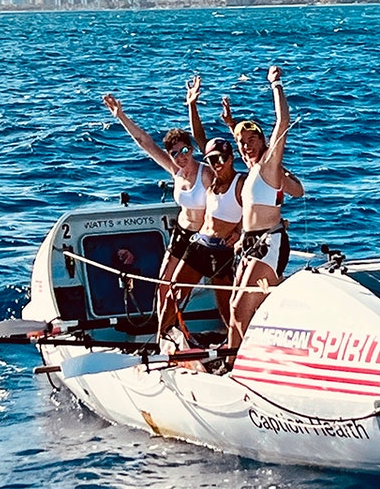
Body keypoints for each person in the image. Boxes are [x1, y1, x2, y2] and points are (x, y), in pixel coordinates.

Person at [102, 78, 210, 337]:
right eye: (175, 153)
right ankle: (163, 337)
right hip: (181, 234)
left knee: (181, 290)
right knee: (163, 287)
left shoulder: (207, 174)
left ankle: (182, 332)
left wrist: (192, 105)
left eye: (185, 150)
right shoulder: (175, 172)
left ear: (191, 149)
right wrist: (121, 116)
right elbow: (145, 143)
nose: (181, 156)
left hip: (205, 238)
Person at [225, 65, 304, 350]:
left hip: (269, 242)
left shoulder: (269, 166)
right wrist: (231, 123)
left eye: (252, 140)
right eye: (242, 143)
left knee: (241, 309)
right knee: (234, 307)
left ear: (263, 141)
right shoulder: (251, 174)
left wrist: (276, 84)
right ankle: (231, 362)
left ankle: (254, 362)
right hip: (249, 245)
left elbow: (283, 121)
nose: (247, 146)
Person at [169, 136, 244, 341]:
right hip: (200, 244)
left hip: (222, 250)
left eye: (222, 158)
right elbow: (201, 140)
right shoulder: (212, 180)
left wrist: (239, 233)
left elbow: (256, 212)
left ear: (231, 158)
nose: (217, 163)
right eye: (212, 159)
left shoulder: (241, 183)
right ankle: (165, 339)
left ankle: (233, 352)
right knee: (173, 292)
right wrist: (192, 108)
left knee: (227, 307)